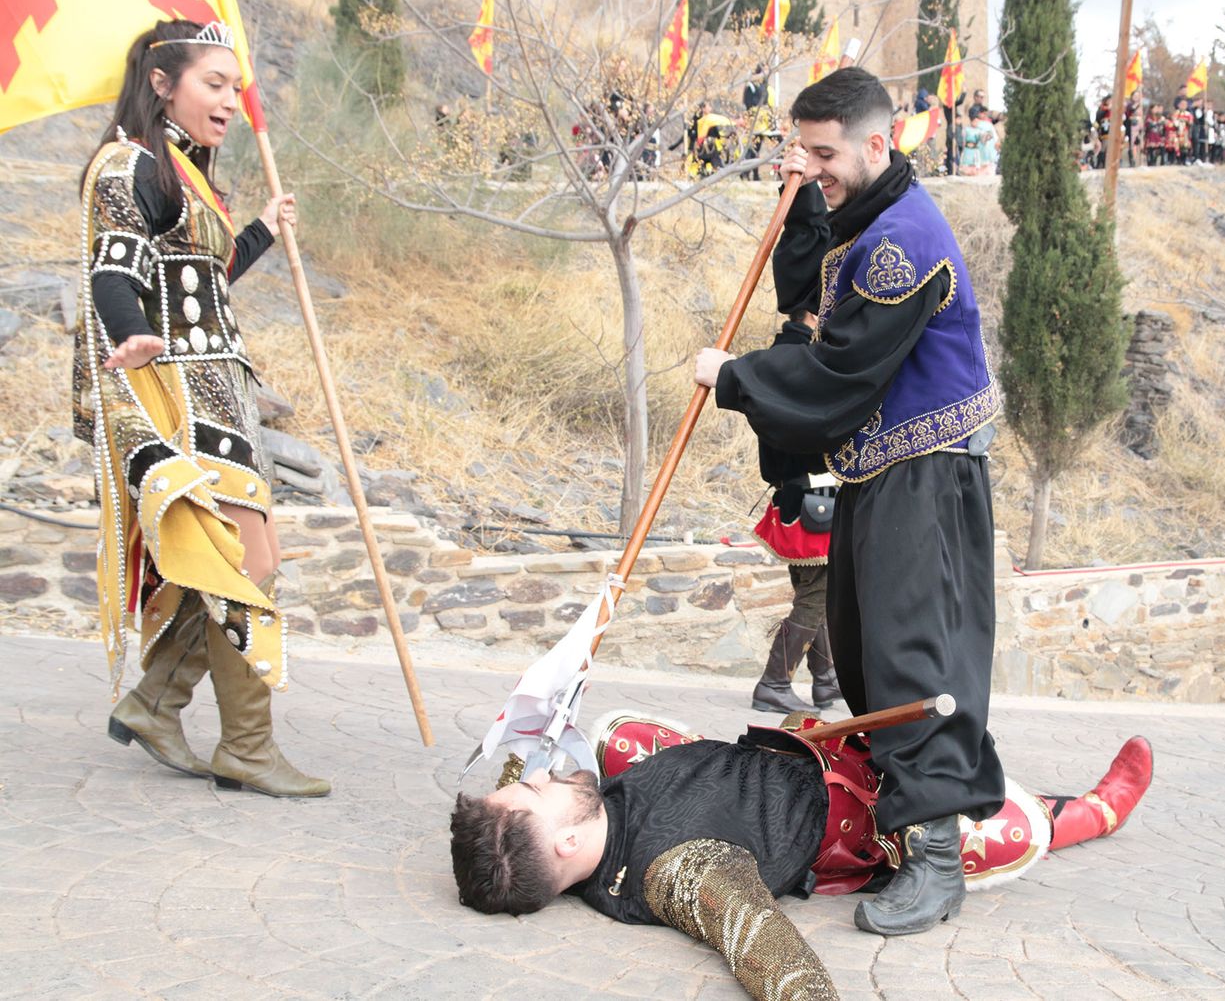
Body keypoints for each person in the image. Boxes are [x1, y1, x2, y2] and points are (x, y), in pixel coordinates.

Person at [691, 67, 1003, 936]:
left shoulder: (906, 240)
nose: (814, 166)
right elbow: (810, 294)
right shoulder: (865, 219)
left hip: (928, 474)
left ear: (879, 142)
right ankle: (906, 838)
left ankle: (937, 863)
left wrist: (735, 378)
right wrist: (800, 201)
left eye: (826, 154)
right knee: (865, 660)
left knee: (912, 661)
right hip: (883, 469)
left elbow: (839, 369)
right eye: (804, 151)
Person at [451, 713, 1155, 1000]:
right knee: (1013, 827)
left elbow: (517, 816)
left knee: (619, 732)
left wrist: (518, 771)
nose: (542, 776)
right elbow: (772, 955)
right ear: (566, 844)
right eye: (536, 792)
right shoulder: (683, 872)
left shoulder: (582, 827)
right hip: (864, 817)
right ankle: (1091, 811)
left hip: (807, 748)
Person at [78, 19, 328, 797]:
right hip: (173, 397)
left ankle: (156, 704)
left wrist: (258, 230)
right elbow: (111, 271)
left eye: (234, 87)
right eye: (213, 84)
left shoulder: (183, 173)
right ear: (163, 84)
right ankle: (247, 749)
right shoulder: (128, 166)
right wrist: (132, 336)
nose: (230, 100)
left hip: (220, 390)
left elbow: (203, 277)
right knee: (251, 564)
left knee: (220, 563)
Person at [746, 307, 842, 713]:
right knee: (816, 598)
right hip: (812, 501)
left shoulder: (772, 371)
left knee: (815, 595)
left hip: (797, 499)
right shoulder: (802, 374)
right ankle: (774, 682)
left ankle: (827, 681)